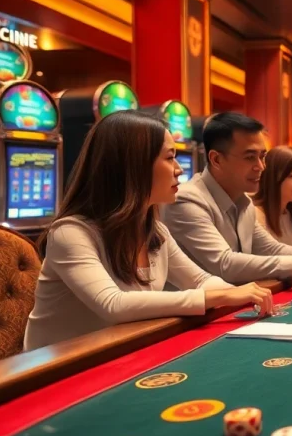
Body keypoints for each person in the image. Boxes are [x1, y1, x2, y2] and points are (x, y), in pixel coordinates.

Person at [24, 111, 273, 351]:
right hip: (55, 373)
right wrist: (222, 298)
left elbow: (199, 280)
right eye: (169, 158)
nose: (179, 169)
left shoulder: (154, 231)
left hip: (119, 353)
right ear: (134, 166)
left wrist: (243, 294)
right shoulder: (70, 232)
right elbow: (114, 304)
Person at [161, 112, 292, 285]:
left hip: (229, 307)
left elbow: (271, 249)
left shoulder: (244, 202)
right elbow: (225, 264)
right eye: (250, 157)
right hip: (187, 321)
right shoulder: (187, 200)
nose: (261, 167)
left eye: (262, 157)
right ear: (216, 160)